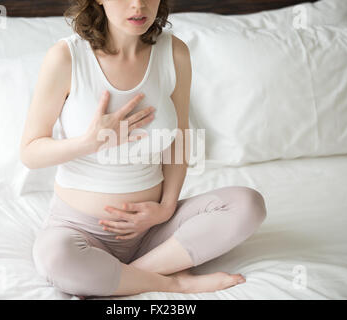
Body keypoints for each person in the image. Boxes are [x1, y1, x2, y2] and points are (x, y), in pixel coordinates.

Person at [20, 0, 267, 299]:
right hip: (80, 231)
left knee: (247, 204)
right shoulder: (66, 57)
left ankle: (121, 277)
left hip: (153, 230)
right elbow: (30, 151)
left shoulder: (174, 52)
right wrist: (90, 142)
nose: (138, 5)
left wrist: (165, 209)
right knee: (56, 259)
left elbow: (179, 138)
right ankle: (170, 282)